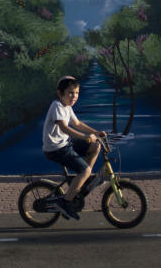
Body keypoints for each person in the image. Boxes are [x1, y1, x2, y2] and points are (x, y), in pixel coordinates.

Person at [41, 75, 106, 220]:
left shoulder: (67, 107)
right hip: (55, 148)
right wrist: (84, 137)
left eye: (76, 93)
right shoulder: (56, 106)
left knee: (95, 146)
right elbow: (64, 128)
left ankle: (83, 180)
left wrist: (95, 132)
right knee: (85, 170)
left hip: (65, 143)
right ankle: (65, 202)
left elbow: (77, 124)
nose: (74, 96)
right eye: (71, 93)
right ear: (60, 93)